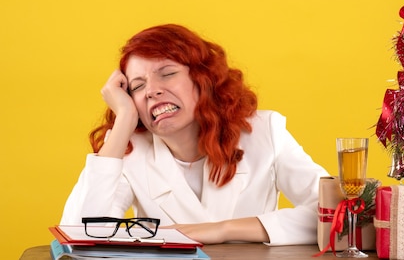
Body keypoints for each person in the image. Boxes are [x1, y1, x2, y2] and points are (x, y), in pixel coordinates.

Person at [61, 24, 329, 245]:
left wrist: (223, 230)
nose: (152, 90)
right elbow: (78, 236)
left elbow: (336, 215)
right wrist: (123, 121)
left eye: (167, 73)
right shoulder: (129, 150)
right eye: (137, 86)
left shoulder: (265, 131)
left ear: (203, 78)